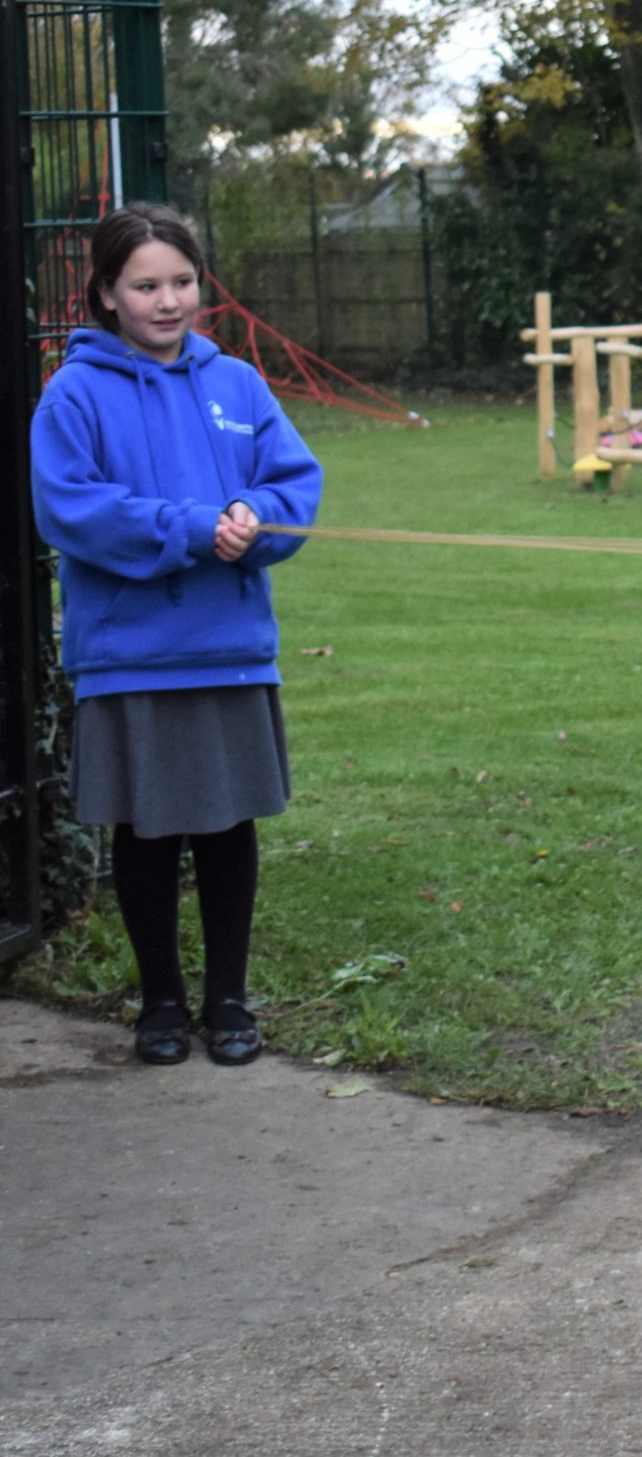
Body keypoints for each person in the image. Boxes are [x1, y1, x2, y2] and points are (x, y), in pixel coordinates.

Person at [30, 204, 323, 1067]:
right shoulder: (73, 392)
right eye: (145, 285)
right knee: (148, 831)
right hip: (130, 657)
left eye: (183, 282)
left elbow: (293, 484)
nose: (168, 301)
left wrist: (256, 514)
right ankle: (160, 1002)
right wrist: (194, 528)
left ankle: (228, 1000)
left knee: (229, 827)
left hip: (228, 646)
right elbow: (72, 509)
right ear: (107, 296)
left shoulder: (238, 385)